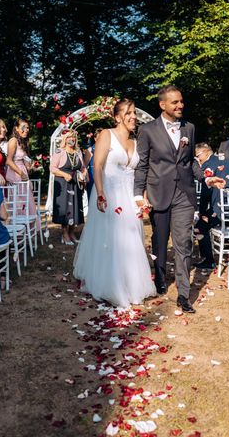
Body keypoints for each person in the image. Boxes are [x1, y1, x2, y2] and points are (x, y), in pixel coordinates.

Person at [74, 99, 156, 307]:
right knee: (111, 239)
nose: (133, 117)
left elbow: (140, 174)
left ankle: (131, 284)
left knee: (131, 238)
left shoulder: (136, 142)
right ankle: (110, 285)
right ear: (117, 117)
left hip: (129, 196)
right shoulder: (106, 135)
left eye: (134, 113)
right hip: (108, 193)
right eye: (128, 113)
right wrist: (101, 192)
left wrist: (142, 197)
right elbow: (98, 166)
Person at [134, 85, 205, 313]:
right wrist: (138, 193)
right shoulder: (147, 130)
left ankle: (184, 295)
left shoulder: (190, 128)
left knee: (184, 243)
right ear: (162, 105)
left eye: (181, 101)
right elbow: (142, 164)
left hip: (184, 194)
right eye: (175, 102)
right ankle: (160, 278)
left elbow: (190, 161)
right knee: (160, 241)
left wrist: (205, 178)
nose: (180, 105)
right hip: (158, 194)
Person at [193, 142, 229, 270]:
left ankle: (208, 261)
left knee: (199, 226)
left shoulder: (208, 166)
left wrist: (202, 212)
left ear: (206, 152)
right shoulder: (227, 162)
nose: (198, 161)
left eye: (198, 156)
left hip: (224, 210)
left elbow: (206, 192)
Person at [50, 129, 87, 244]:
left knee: (75, 207)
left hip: (75, 184)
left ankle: (72, 233)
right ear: (65, 139)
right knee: (64, 208)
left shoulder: (78, 152)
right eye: (69, 137)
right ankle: (65, 234)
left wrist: (83, 175)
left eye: (74, 137)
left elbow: (83, 168)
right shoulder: (59, 152)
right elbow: (52, 168)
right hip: (62, 183)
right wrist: (64, 174)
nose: (72, 139)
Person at [5, 117, 39, 227]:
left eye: (28, 128)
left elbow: (25, 162)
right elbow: (9, 161)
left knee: (26, 202)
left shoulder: (23, 143)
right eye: (23, 127)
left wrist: (31, 166)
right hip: (16, 175)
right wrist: (21, 173)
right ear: (16, 129)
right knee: (19, 203)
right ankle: (19, 233)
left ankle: (28, 231)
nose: (26, 130)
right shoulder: (13, 141)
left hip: (23, 174)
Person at [84, 128, 103, 197]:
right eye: (99, 137)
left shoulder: (109, 150)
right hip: (92, 178)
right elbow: (84, 167)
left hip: (105, 177)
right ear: (95, 138)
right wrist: (86, 178)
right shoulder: (90, 150)